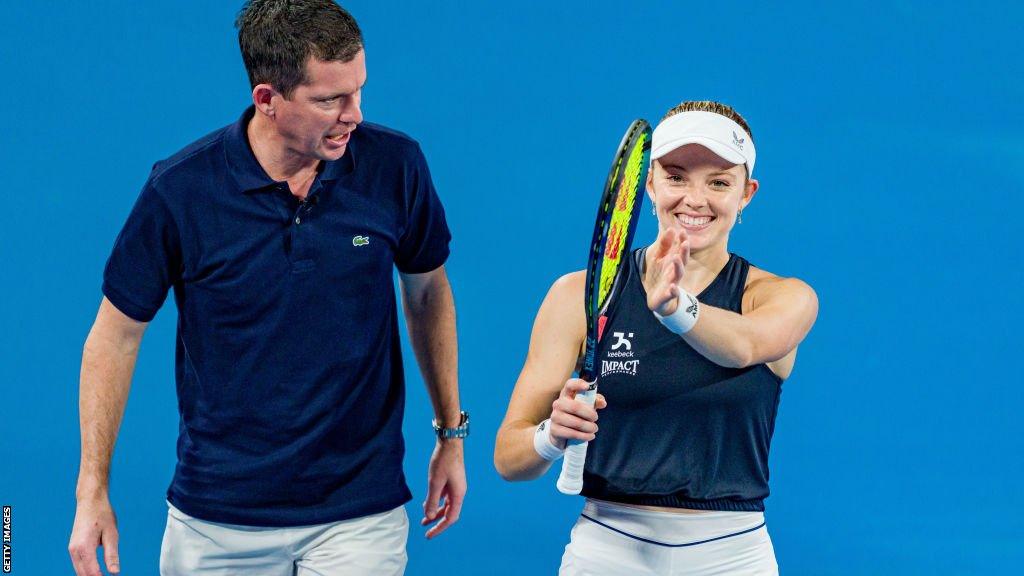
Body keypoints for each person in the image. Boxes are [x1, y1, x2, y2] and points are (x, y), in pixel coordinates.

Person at [68, 1, 467, 574]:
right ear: (267, 99)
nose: (354, 114)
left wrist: (450, 432)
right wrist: (91, 491)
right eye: (330, 100)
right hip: (217, 520)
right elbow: (114, 339)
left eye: (358, 91)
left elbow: (428, 292)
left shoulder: (395, 165)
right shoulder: (180, 191)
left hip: (360, 512)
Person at [495, 101, 818, 575]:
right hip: (607, 550)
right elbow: (509, 456)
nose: (695, 198)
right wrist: (551, 435)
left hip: (732, 558)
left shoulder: (781, 297)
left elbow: (745, 345)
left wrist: (674, 308)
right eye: (677, 176)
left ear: (747, 193)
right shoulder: (576, 296)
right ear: (649, 184)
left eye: (719, 182)